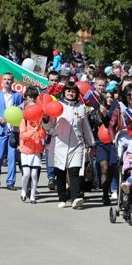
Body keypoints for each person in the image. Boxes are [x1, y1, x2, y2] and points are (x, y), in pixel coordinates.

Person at [42, 81, 95, 209]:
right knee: (60, 172)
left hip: (76, 144)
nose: (71, 93)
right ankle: (62, 197)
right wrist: (45, 120)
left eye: (73, 91)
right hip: (59, 143)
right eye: (68, 91)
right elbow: (48, 127)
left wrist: (92, 143)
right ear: (64, 92)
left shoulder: (81, 107)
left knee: (75, 171)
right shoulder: (58, 105)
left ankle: (75, 197)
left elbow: (86, 127)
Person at [0, 74, 23, 189]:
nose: (7, 81)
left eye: (9, 80)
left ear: (13, 82)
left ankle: (10, 182)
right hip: (0, 130)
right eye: (5, 79)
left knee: (12, 157)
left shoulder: (17, 96)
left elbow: (21, 110)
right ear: (2, 81)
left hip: (12, 131)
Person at [18, 87, 45, 203]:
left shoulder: (40, 120)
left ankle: (33, 195)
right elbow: (23, 135)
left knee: (34, 174)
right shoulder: (23, 120)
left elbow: (43, 134)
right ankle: (24, 190)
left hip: (37, 150)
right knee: (26, 174)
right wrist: (32, 132)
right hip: (25, 150)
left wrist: (39, 131)